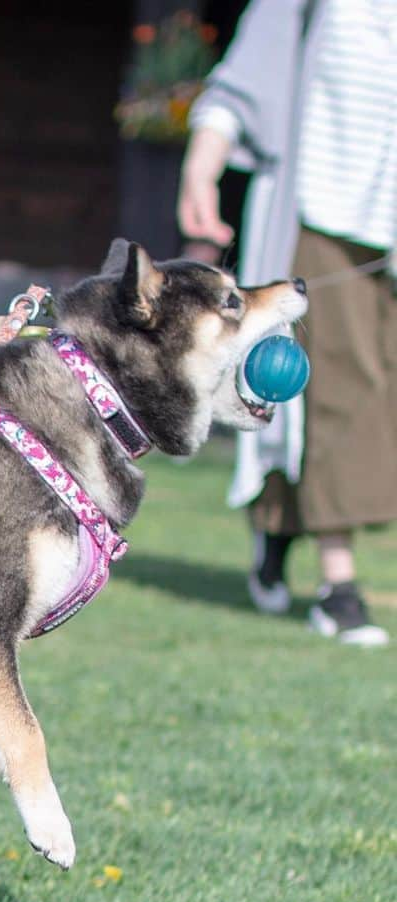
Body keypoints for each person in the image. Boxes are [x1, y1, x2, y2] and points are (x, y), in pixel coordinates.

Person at [178, 0, 396, 646]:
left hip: (388, 228)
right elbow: (246, 80)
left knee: (372, 392)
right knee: (337, 386)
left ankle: (276, 526)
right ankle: (339, 585)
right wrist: (201, 167)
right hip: (320, 216)